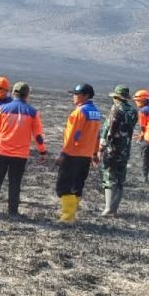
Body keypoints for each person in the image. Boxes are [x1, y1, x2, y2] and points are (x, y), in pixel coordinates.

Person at [0, 82, 47, 216]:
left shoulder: (2, 109)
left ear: (13, 93)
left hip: (1, 151)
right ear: (27, 95)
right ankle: (12, 211)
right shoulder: (32, 112)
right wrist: (42, 151)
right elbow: (38, 136)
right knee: (15, 183)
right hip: (20, 155)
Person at [55, 83, 103, 223]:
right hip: (86, 156)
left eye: (76, 94)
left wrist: (63, 154)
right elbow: (96, 135)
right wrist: (94, 153)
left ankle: (67, 217)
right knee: (77, 185)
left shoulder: (79, 112)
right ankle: (71, 214)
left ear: (86, 96)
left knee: (63, 186)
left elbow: (73, 135)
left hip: (73, 154)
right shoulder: (96, 112)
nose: (74, 97)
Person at [99, 85, 139, 217]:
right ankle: (114, 209)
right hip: (125, 149)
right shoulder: (133, 111)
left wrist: (102, 147)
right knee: (120, 179)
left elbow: (110, 130)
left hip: (113, 149)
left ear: (116, 97)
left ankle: (108, 208)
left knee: (109, 177)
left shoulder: (116, 109)